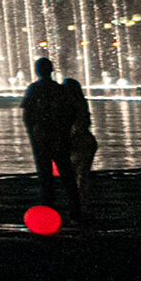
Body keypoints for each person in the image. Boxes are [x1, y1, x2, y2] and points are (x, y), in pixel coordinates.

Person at [21, 57, 81, 222]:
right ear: (51, 70)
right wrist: (65, 131)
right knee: (67, 174)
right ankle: (75, 209)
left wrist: (32, 134)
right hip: (59, 138)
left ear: (37, 71)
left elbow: (27, 115)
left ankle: (48, 209)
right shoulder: (59, 89)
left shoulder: (34, 89)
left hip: (41, 138)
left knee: (45, 176)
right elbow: (71, 112)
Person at [64, 76, 97, 219]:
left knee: (77, 177)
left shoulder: (70, 106)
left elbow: (75, 128)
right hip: (87, 142)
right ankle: (82, 205)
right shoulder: (82, 104)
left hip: (78, 144)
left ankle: (79, 208)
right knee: (82, 177)